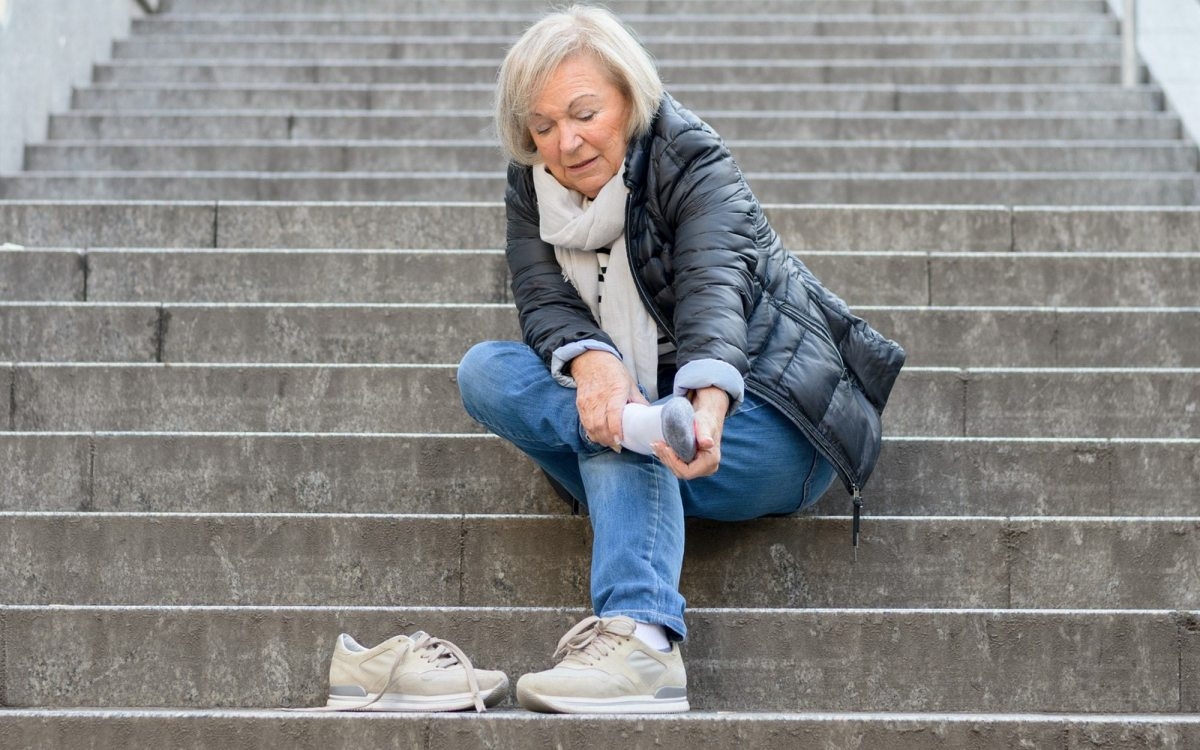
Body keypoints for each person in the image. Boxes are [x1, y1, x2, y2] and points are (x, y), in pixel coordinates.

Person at [457, 5, 905, 714]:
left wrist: (707, 402)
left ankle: (642, 641)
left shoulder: (690, 159)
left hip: (771, 421)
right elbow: (543, 301)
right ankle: (637, 434)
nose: (564, 143)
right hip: (656, 406)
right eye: (542, 126)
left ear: (630, 98)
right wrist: (593, 367)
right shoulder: (531, 187)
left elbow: (713, 290)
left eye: (583, 113)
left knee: (623, 428)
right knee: (486, 371)